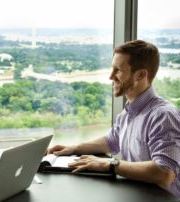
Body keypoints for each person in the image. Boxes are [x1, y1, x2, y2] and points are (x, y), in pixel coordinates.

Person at [48, 40, 180, 197]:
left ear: (140, 75)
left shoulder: (163, 115)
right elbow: (111, 140)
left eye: (118, 70)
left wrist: (110, 164)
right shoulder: (128, 113)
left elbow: (164, 173)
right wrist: (74, 148)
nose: (111, 76)